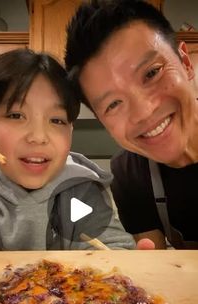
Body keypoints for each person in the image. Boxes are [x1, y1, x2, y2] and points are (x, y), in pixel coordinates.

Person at [0, 47, 137, 251]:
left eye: (56, 120)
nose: (38, 137)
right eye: (16, 116)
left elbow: (111, 249)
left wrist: (124, 266)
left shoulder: (79, 190)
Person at [65, 0, 198, 249]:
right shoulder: (129, 174)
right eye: (113, 104)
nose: (144, 112)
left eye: (151, 73)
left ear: (186, 63)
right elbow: (157, 267)